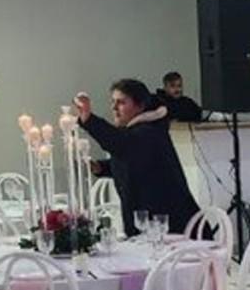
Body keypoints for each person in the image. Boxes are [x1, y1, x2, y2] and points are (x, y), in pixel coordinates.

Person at [77, 79, 201, 237]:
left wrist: (88, 119)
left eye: (121, 102)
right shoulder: (138, 132)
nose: (114, 108)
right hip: (151, 220)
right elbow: (134, 164)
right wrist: (101, 167)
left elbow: (121, 145)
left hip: (169, 226)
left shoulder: (148, 131)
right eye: (113, 102)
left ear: (140, 106)